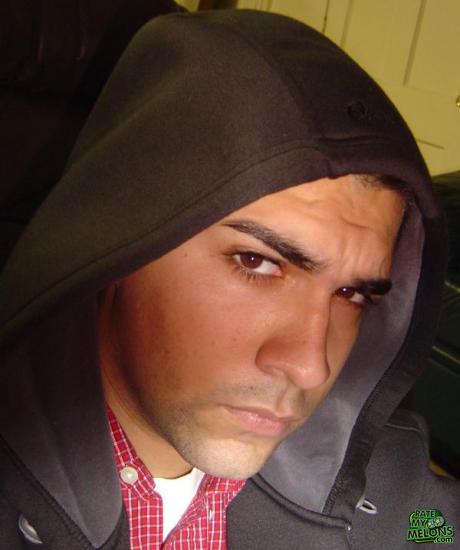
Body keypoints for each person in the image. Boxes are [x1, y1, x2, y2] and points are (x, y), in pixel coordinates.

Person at [0, 9, 458, 550]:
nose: (310, 365)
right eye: (256, 263)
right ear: (118, 243)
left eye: (352, 293)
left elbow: (435, 534)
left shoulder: (397, 500)